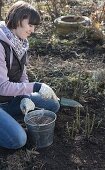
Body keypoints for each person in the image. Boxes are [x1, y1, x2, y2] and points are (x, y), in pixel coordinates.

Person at [0, 1, 60, 149]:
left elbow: (23, 76)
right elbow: (2, 87)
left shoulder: (21, 43)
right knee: (19, 140)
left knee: (52, 104)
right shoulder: (1, 45)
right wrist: (37, 86)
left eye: (34, 26)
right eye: (30, 25)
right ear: (19, 19)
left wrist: (26, 98)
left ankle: (8, 121)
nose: (32, 30)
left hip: (9, 100)